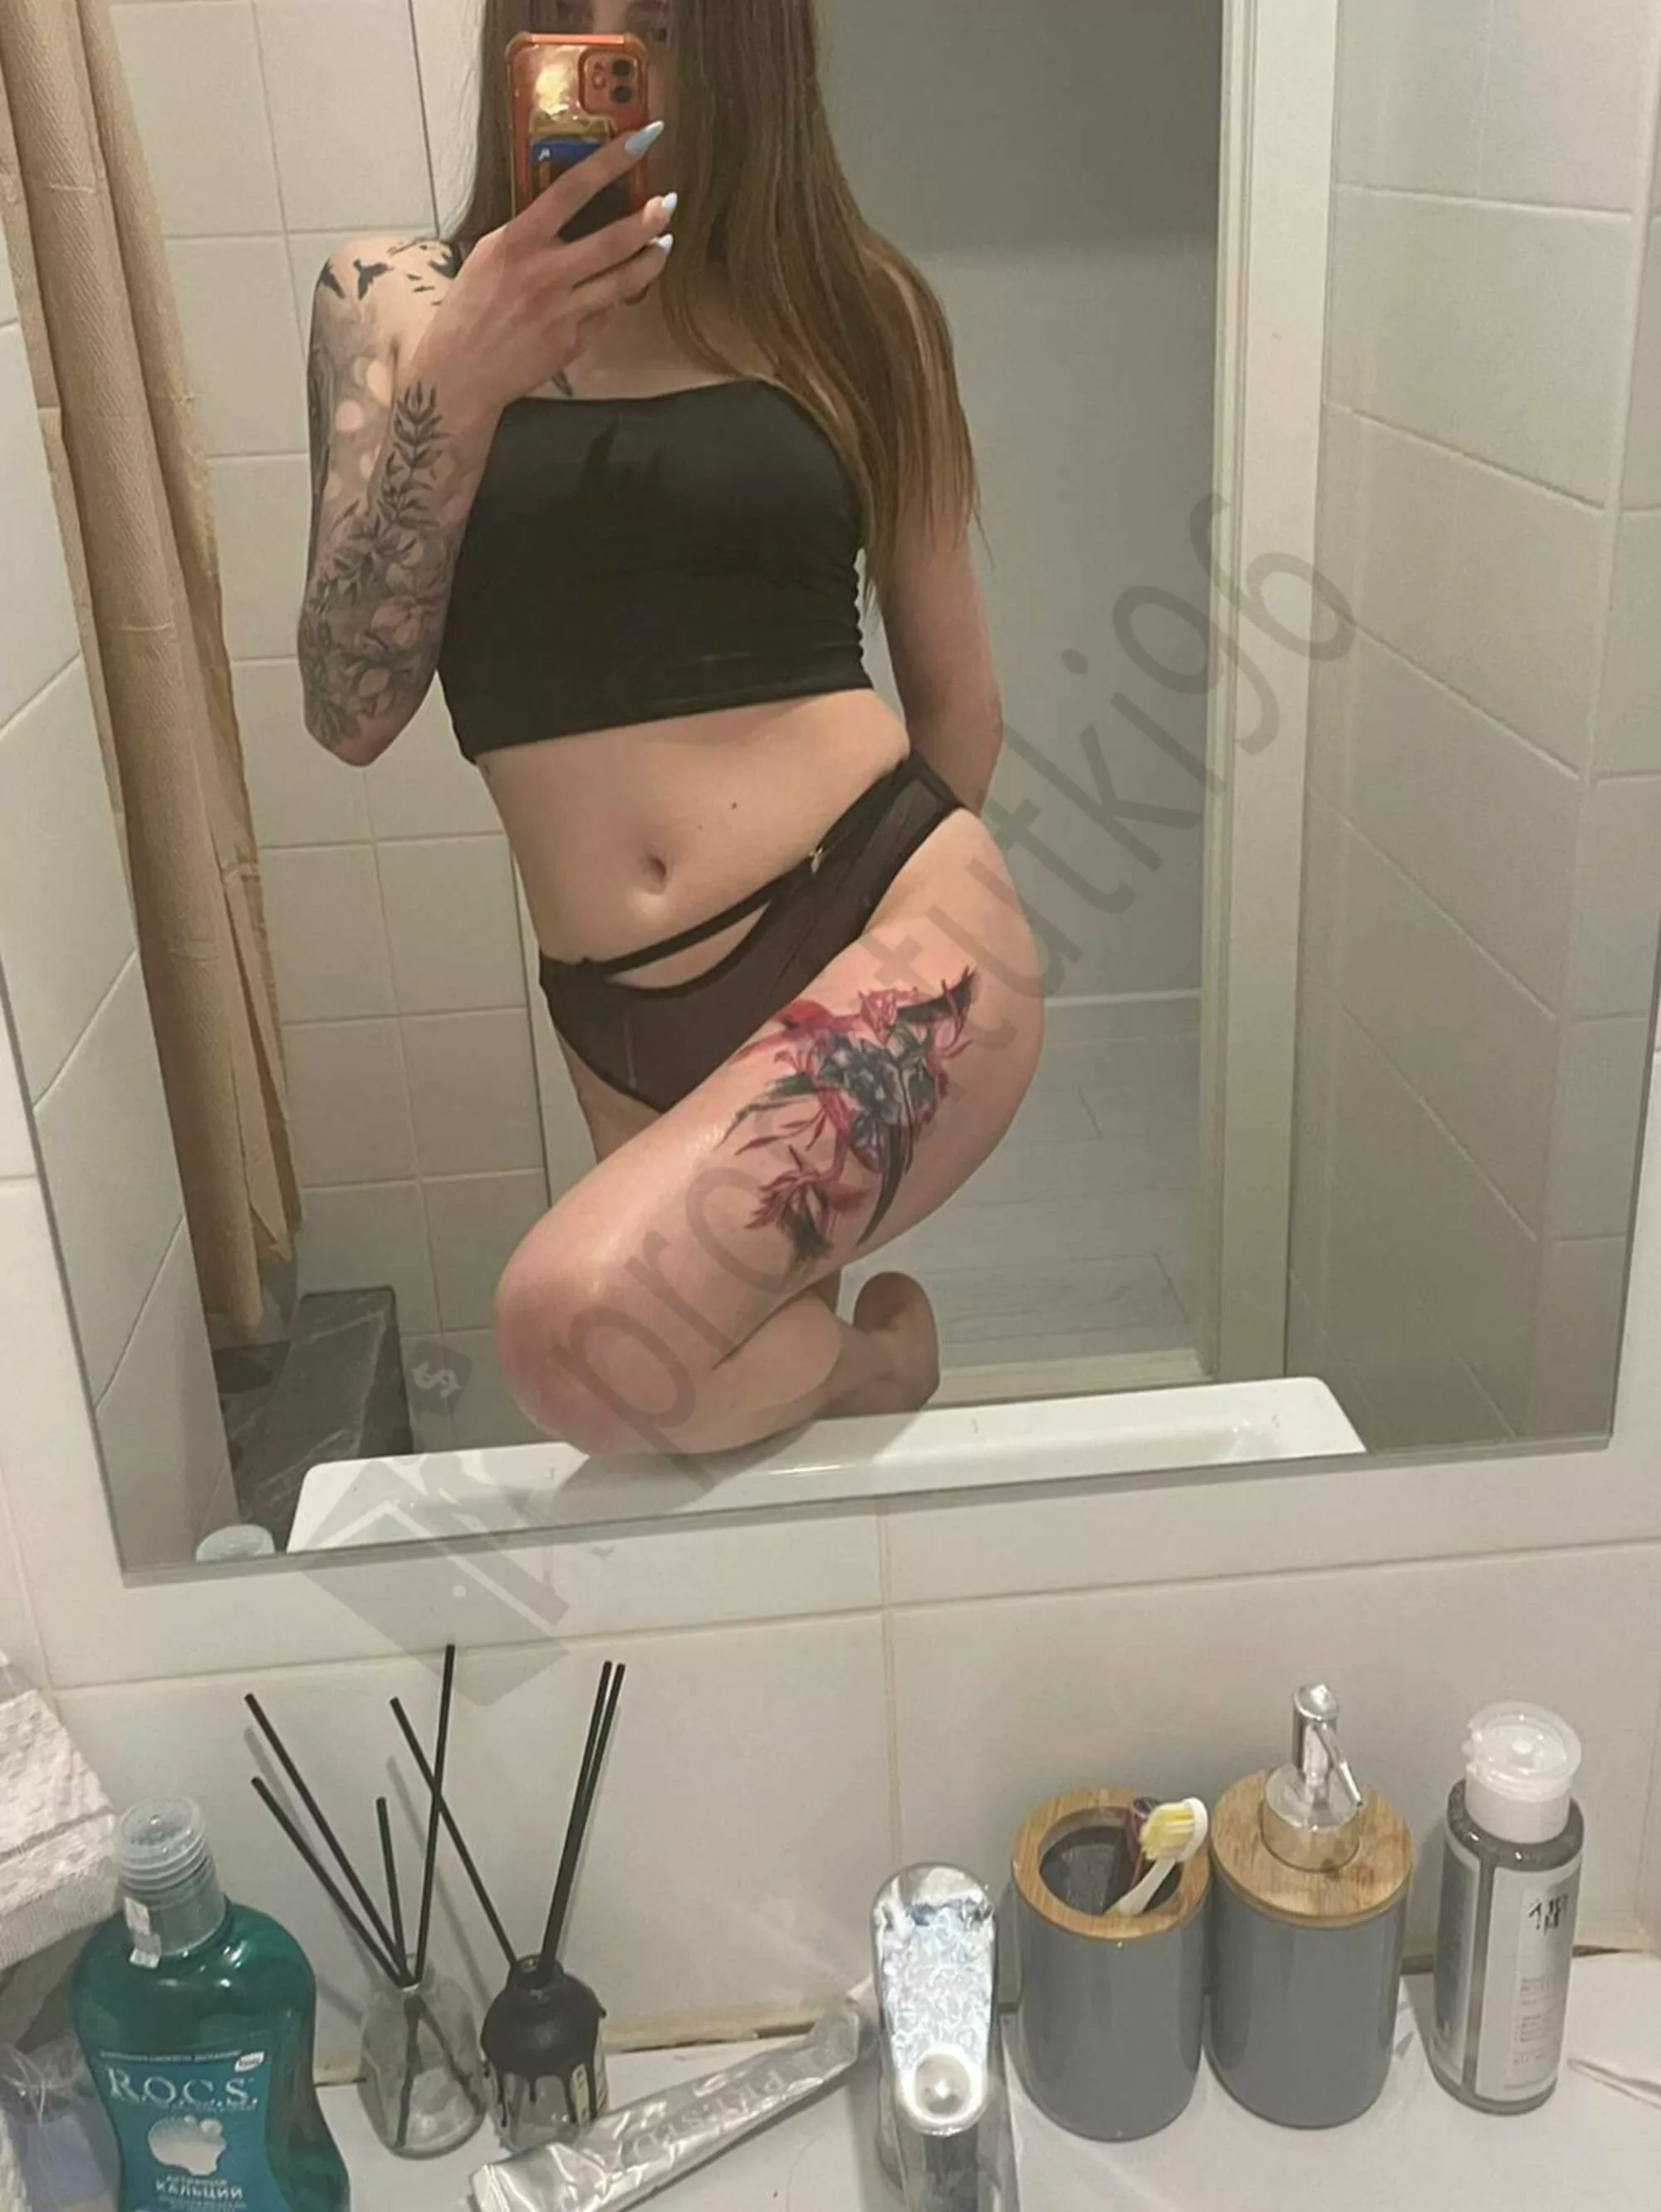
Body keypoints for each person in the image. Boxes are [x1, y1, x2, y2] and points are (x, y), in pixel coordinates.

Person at [296, 0, 1041, 1461]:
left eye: (655, 27)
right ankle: (876, 1366)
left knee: (563, 1334)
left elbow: (961, 700)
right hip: (619, 1010)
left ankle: (861, 1362)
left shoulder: (855, 309)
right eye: (566, 18)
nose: (606, 50)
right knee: (674, 1401)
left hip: (881, 910)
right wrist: (464, 380)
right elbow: (347, 709)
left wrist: (846, 979)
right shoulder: (391, 300)